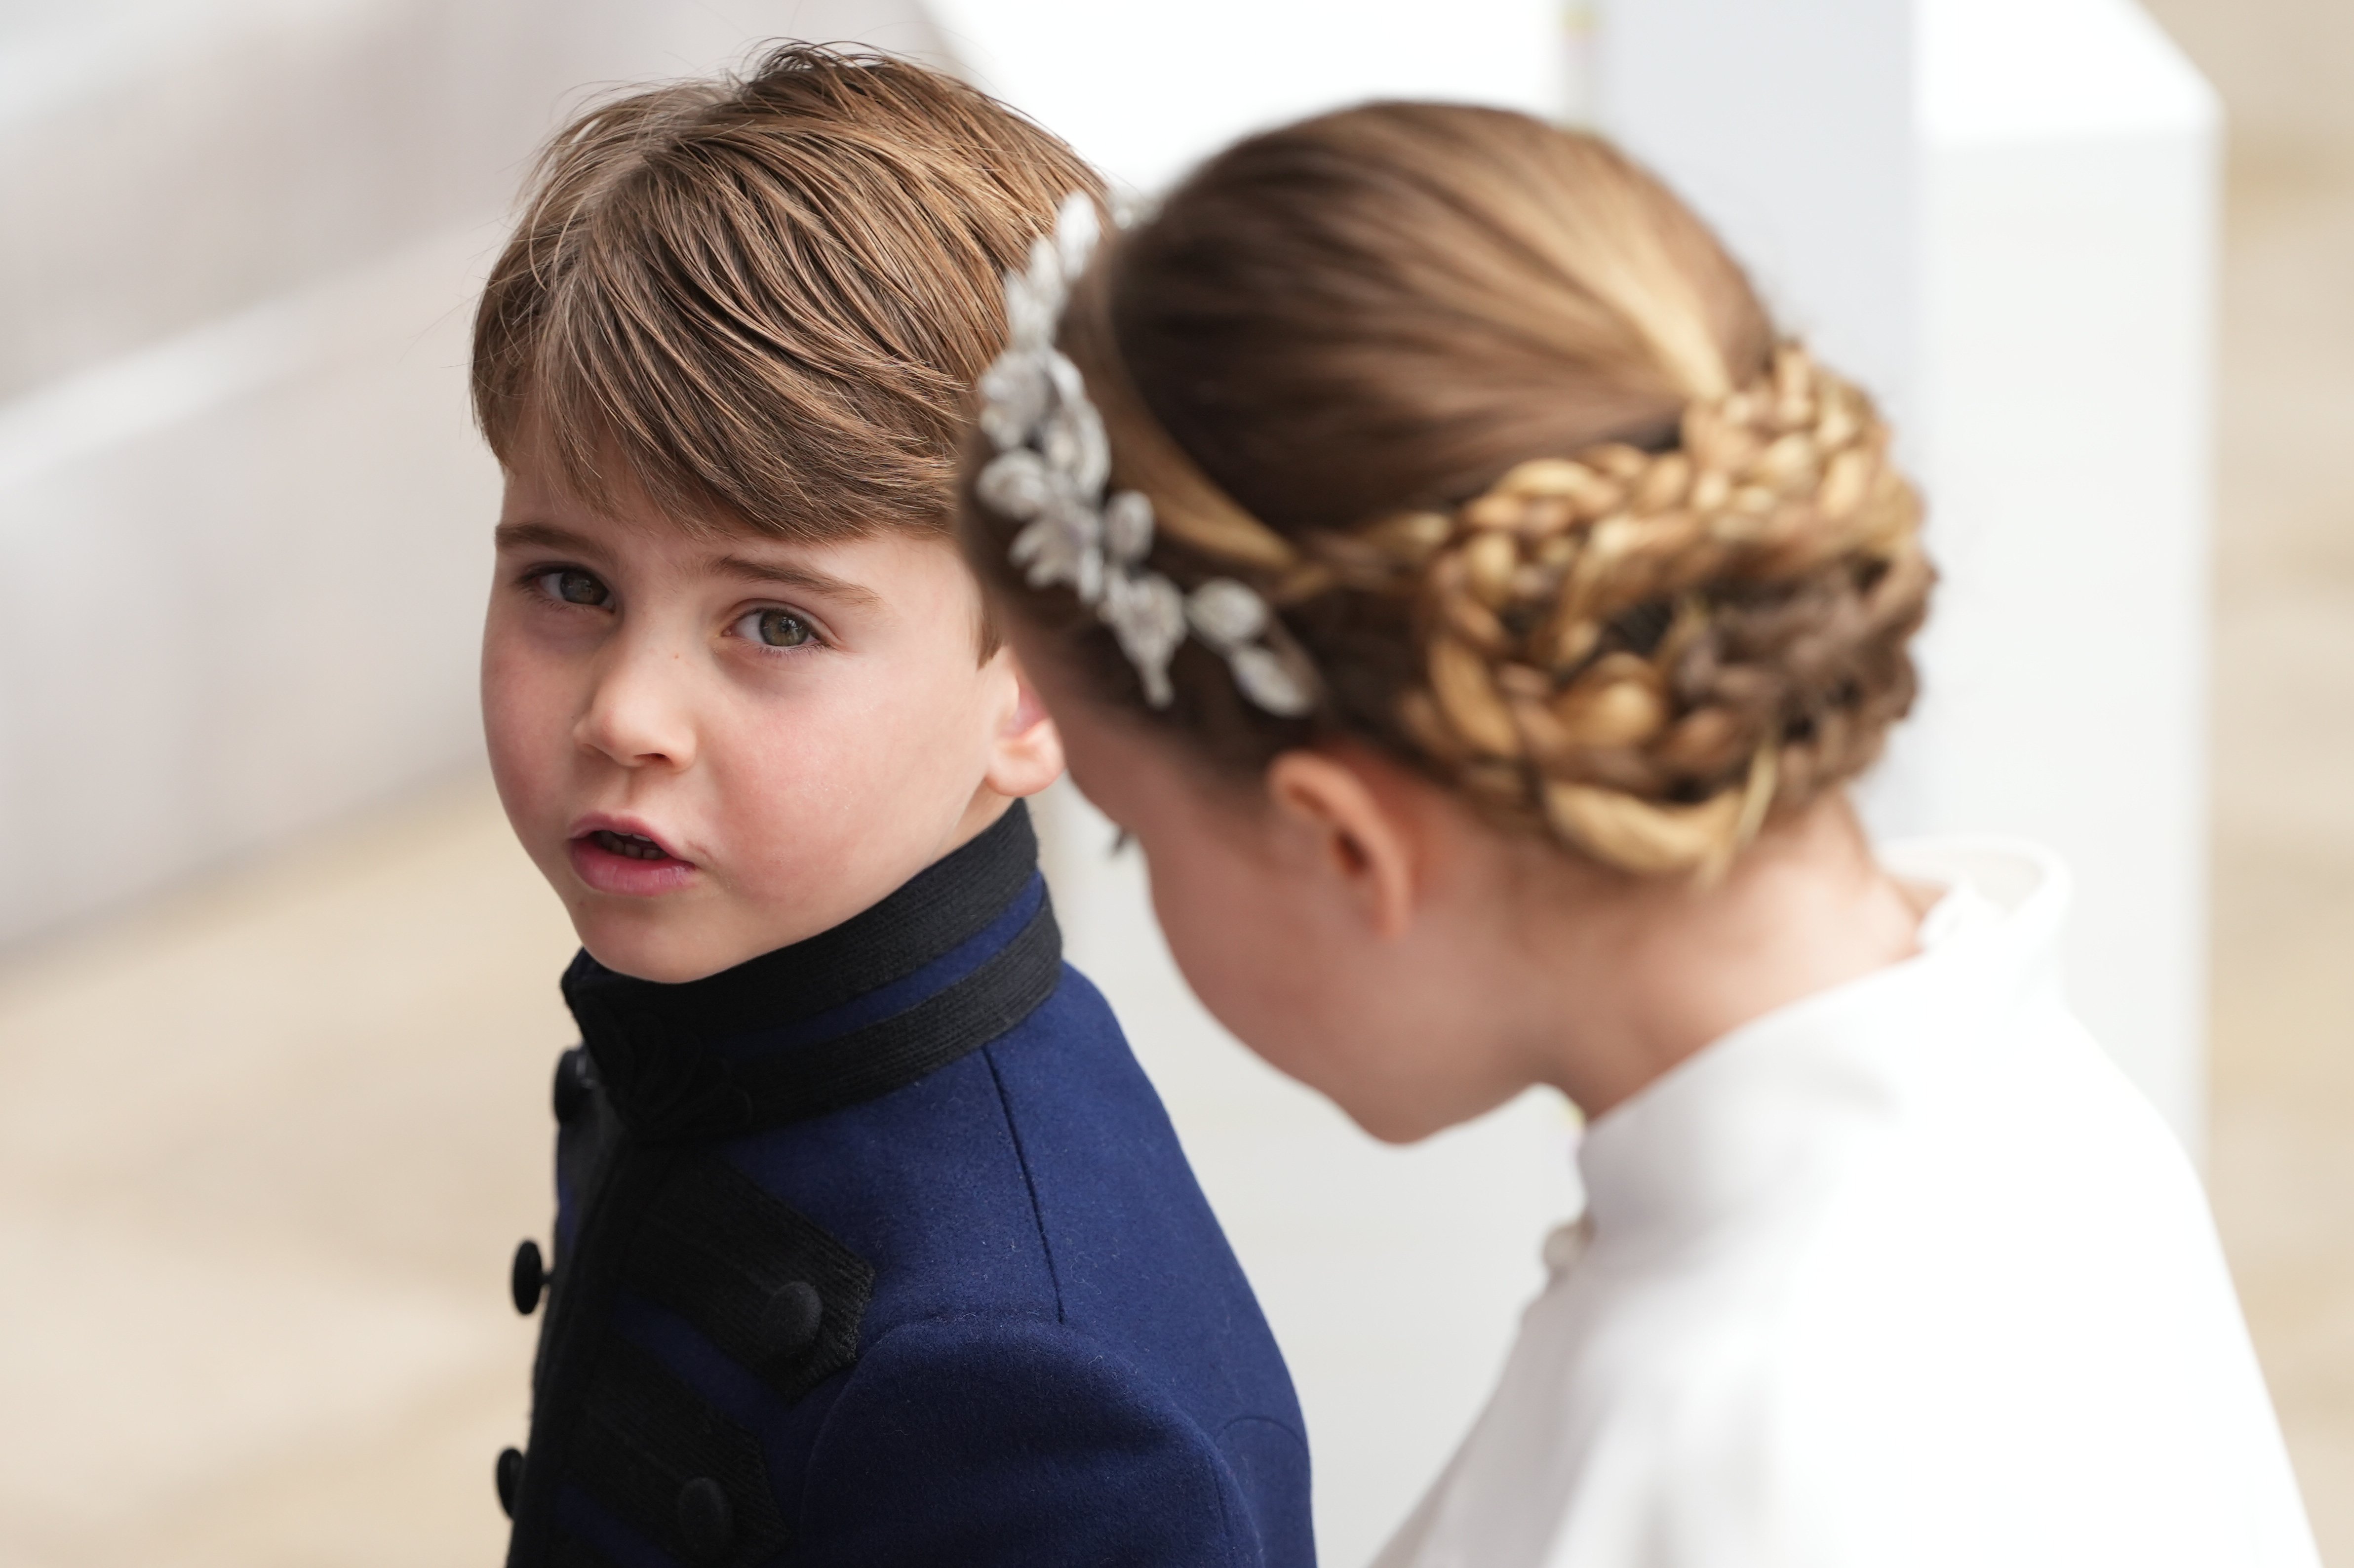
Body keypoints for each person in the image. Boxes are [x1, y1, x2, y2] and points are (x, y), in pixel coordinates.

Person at [963, 103, 2319, 1566]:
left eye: (1125, 836)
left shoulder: (1748, 1464)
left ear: (1345, 843)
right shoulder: (2043, 1116)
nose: (1138, 881)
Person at [471, 46, 1312, 1568]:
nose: (624, 714)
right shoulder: (711, 1032)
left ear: (1044, 693)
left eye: (775, 623)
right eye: (569, 584)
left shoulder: (1025, 1386)